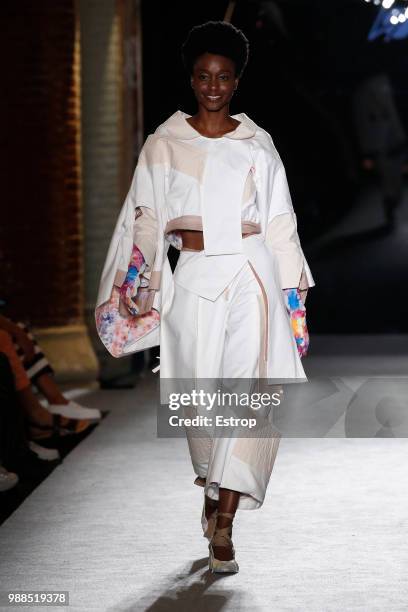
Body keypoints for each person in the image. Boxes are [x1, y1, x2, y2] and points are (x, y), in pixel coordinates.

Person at [95, 21, 315, 574]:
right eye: (203, 76)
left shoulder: (256, 144)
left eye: (223, 77)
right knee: (200, 399)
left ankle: (225, 522)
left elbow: (280, 223)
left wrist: (294, 303)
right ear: (192, 80)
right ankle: (211, 490)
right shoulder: (163, 144)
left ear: (236, 82)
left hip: (251, 273)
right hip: (191, 277)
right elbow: (146, 219)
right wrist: (137, 280)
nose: (213, 86)